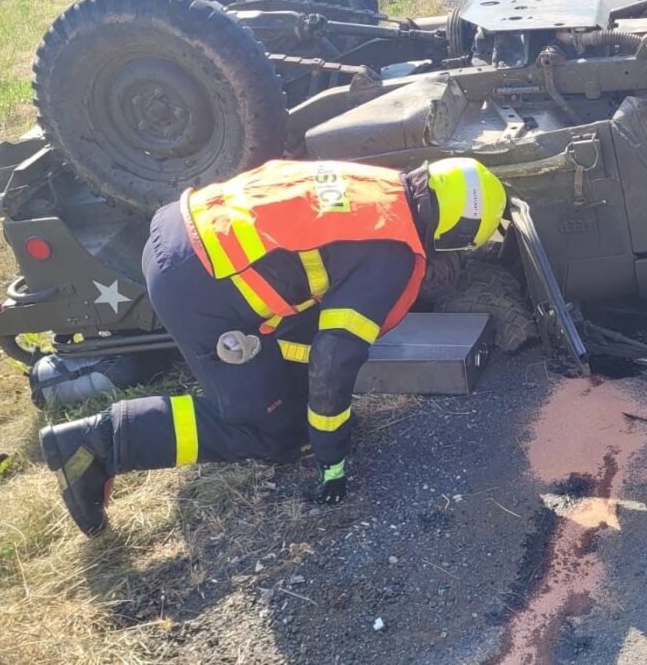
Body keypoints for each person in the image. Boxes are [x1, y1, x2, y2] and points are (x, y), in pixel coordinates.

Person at [39, 158, 508, 535]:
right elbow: (333, 356)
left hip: (178, 230)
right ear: (456, 233)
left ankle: (275, 406)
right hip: (199, 287)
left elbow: (311, 322)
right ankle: (95, 446)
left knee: (291, 394)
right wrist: (331, 458)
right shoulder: (395, 254)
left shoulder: (381, 185)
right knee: (272, 431)